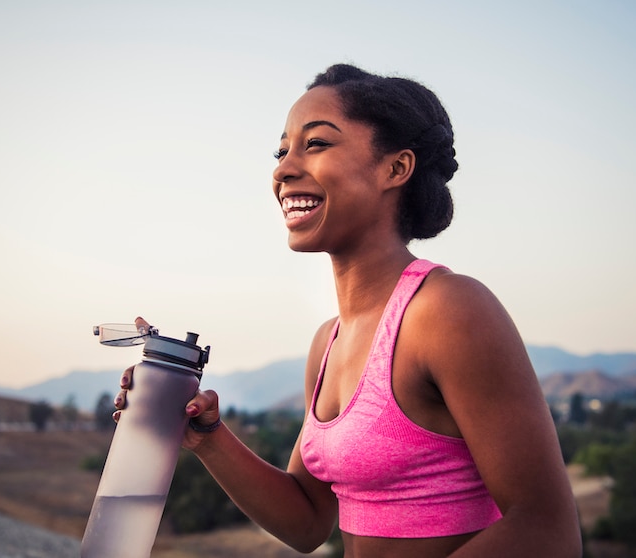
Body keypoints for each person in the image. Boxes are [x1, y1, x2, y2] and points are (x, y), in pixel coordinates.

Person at [114, 64, 582, 557]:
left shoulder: (447, 311)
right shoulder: (328, 342)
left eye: (315, 144)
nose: (283, 169)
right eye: (281, 150)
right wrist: (206, 436)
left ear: (395, 169)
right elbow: (307, 522)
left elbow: (546, 531)